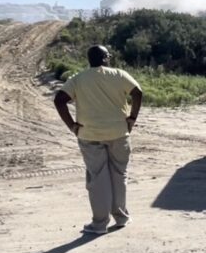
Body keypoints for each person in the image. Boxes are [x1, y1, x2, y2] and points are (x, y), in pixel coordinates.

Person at [54, 45, 144, 235]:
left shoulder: (78, 79)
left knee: (98, 179)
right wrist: (132, 118)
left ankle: (100, 224)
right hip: (119, 133)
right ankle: (121, 217)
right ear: (105, 58)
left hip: (90, 135)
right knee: (119, 176)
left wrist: (72, 125)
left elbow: (59, 100)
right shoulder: (119, 74)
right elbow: (138, 92)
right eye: (108, 56)